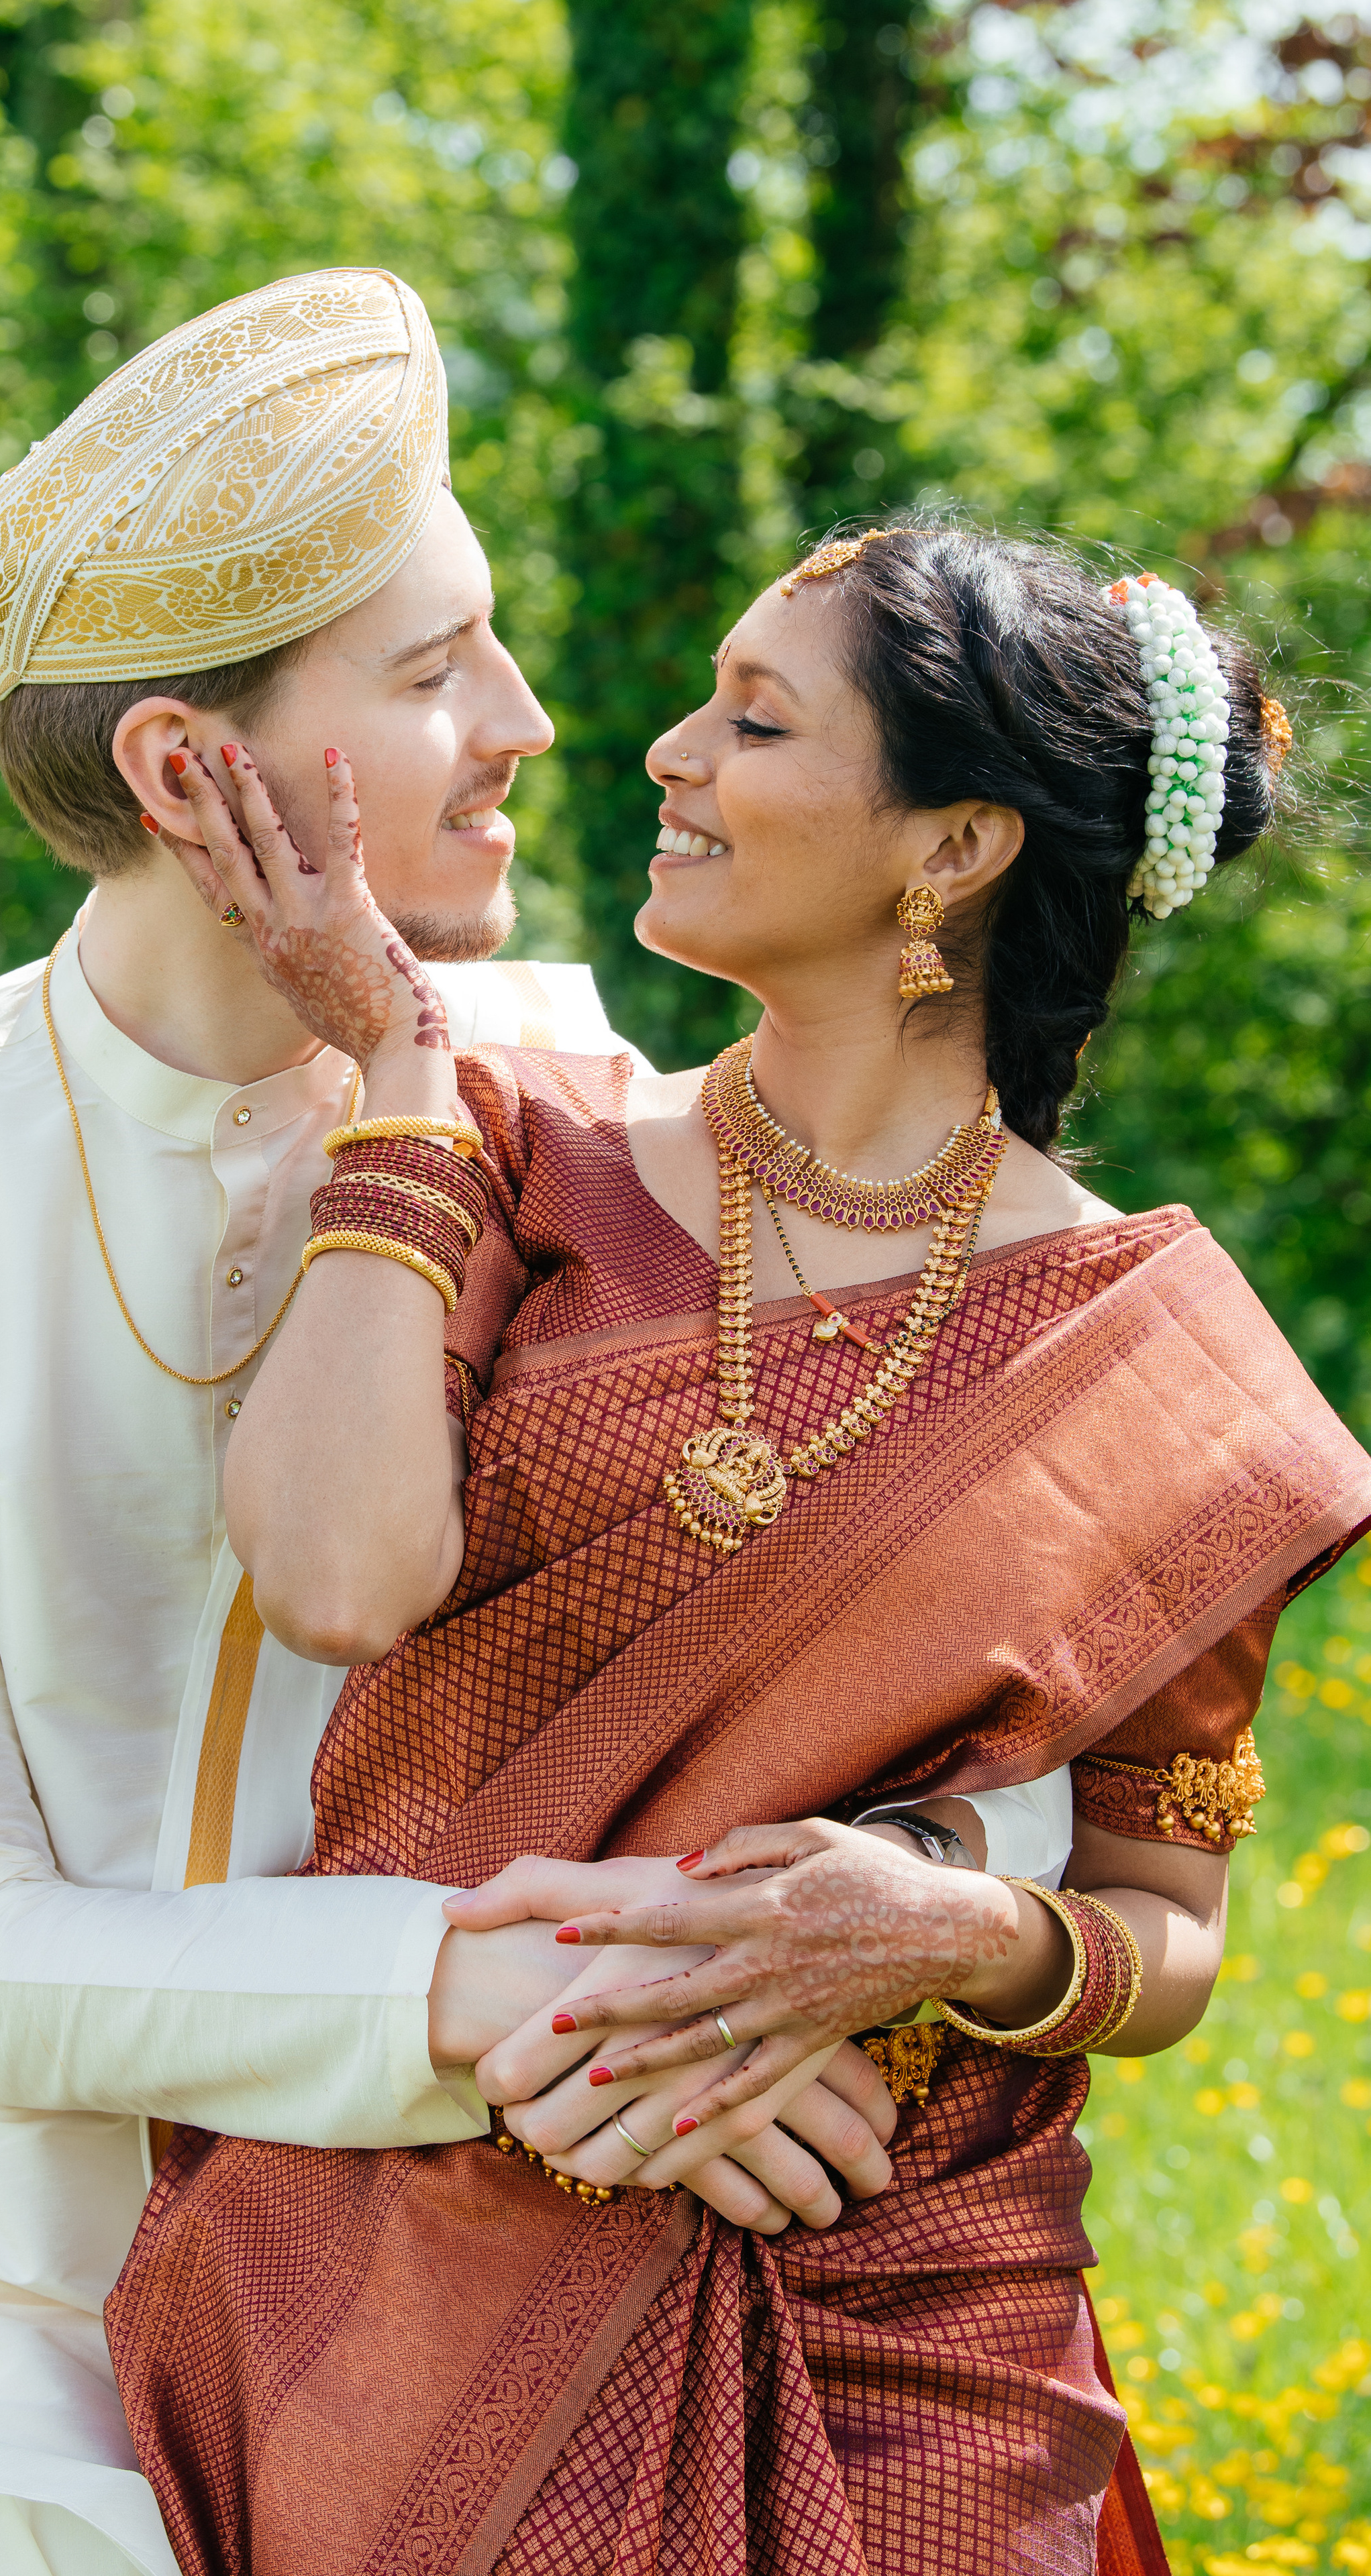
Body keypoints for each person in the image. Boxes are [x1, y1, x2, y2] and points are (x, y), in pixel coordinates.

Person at [0, 272, 991, 2576]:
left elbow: (926, 1674)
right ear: (197, 773)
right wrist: (503, 1993)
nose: (530, 720)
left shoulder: (609, 1120)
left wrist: (865, 1934)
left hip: (505, 2233)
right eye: (427, 674)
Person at [102, 525, 1371, 2575]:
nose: (671, 752)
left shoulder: (1168, 1379)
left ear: (953, 847)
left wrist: (966, 1937)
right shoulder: (513, 1157)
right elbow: (336, 1582)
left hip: (900, 2315)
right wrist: (401, 1064)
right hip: (413, 2262)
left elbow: (1172, 1922)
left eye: (757, 719)